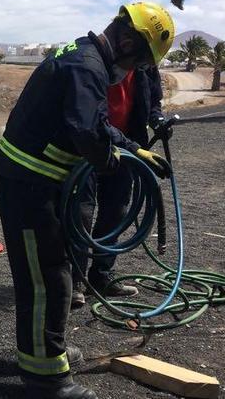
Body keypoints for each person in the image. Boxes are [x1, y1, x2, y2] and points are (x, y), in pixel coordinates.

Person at [0, 2, 174, 399]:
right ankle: (46, 379)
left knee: (55, 272)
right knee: (47, 281)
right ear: (127, 41)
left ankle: (44, 352)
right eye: (140, 61)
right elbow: (88, 133)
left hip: (40, 183)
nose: (137, 71)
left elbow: (101, 125)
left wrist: (135, 151)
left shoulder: (84, 56)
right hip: (28, 184)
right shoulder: (86, 67)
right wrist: (112, 162)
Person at [70, 62, 170, 307]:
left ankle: (101, 275)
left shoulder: (146, 66)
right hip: (90, 148)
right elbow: (90, 117)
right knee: (81, 213)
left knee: (116, 213)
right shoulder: (96, 65)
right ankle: (75, 281)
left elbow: (154, 101)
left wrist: (157, 120)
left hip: (126, 150)